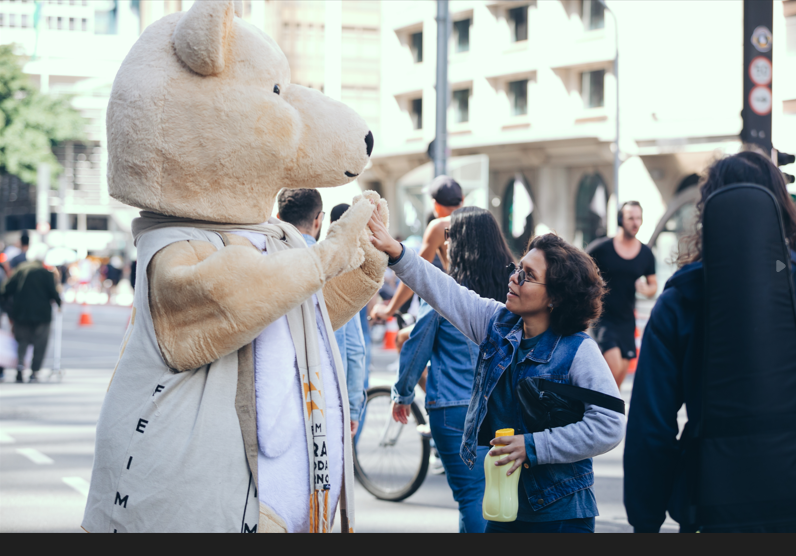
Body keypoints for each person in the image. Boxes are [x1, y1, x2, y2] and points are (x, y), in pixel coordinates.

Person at [368, 216, 625, 534]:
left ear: (556, 297)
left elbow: (610, 424)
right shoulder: (498, 324)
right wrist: (396, 252)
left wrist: (533, 446)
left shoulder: (578, 351)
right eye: (519, 268)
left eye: (528, 275)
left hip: (561, 513)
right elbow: (445, 292)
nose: (514, 278)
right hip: (505, 506)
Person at [624, 151, 796, 533]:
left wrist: (645, 521)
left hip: (711, 508)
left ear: (708, 214)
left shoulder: (680, 300)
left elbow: (650, 427)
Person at [392, 207, 514, 533]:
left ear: (460, 244)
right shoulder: (514, 287)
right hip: (504, 407)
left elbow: (417, 345)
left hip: (453, 406)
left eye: (449, 238)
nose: (445, 245)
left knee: (471, 495)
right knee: (499, 493)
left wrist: (402, 393)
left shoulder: (446, 290)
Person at [278, 195, 365, 437]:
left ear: (278, 218)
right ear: (319, 220)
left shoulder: (263, 261)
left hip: (276, 399)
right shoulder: (335, 267)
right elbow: (355, 349)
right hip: (324, 398)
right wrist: (353, 410)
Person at [370, 175, 463, 321]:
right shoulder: (480, 219)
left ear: (436, 205)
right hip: (483, 305)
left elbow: (416, 272)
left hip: (457, 306)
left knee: (403, 339)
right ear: (462, 199)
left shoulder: (439, 227)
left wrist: (389, 310)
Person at [586, 201, 657, 388]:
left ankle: (605, 411)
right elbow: (580, 265)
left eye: (638, 218)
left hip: (626, 320)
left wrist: (645, 289)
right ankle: (600, 408)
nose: (635, 223)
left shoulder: (645, 254)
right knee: (613, 366)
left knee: (619, 377)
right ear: (620, 220)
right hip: (604, 317)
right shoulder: (602, 248)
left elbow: (653, 286)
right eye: (630, 218)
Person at [0, 244, 62, 383]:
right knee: (40, 343)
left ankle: (20, 367)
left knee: (22, 341)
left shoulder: (20, 270)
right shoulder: (46, 273)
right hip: (42, 314)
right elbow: (53, 292)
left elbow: (7, 288)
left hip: (21, 313)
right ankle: (34, 371)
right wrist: (59, 303)